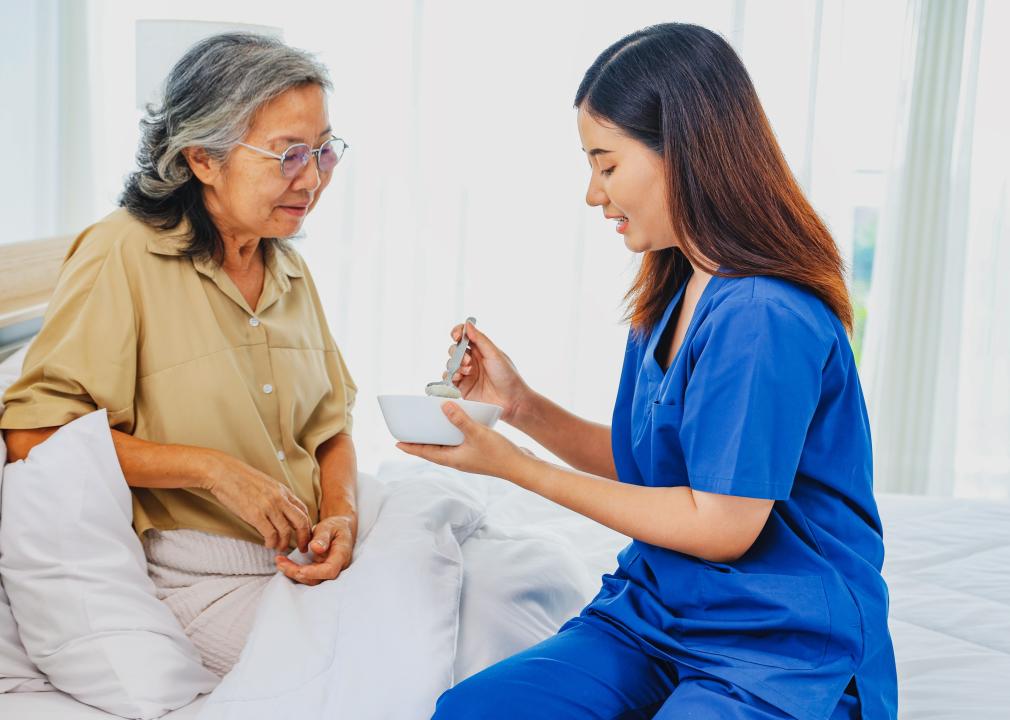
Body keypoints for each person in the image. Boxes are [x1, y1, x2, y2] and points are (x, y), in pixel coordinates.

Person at [398, 23, 897, 720]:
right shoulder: (672, 287)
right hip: (657, 617)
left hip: (778, 644)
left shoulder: (762, 315)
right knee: (473, 710)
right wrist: (521, 407)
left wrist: (515, 467)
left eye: (606, 165)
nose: (593, 194)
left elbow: (722, 524)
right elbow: (659, 468)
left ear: (684, 153)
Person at [2, 34, 357, 676]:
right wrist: (214, 471)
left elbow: (331, 427)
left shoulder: (289, 266)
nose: (313, 177)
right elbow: (32, 434)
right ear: (202, 160)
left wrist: (342, 514)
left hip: (314, 558)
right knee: (376, 660)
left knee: (481, 601)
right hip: (202, 576)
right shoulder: (122, 252)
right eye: (290, 155)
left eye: (325, 149)